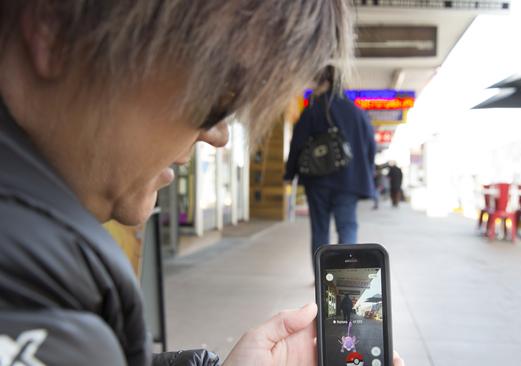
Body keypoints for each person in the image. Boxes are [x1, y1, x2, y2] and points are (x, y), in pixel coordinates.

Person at [0, 1, 405, 366]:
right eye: (217, 92)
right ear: (55, 32)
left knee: (324, 237)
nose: (219, 134)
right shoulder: (36, 298)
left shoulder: (44, 273)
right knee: (345, 233)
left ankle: (329, 270)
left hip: (318, 185)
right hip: (347, 185)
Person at [284, 67, 376, 254]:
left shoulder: (313, 110)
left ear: (324, 83)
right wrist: (365, 172)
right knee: (347, 227)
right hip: (349, 181)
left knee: (319, 231)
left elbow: (297, 144)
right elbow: (371, 148)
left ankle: (321, 280)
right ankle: (344, 276)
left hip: (318, 181)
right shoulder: (357, 113)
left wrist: (290, 173)